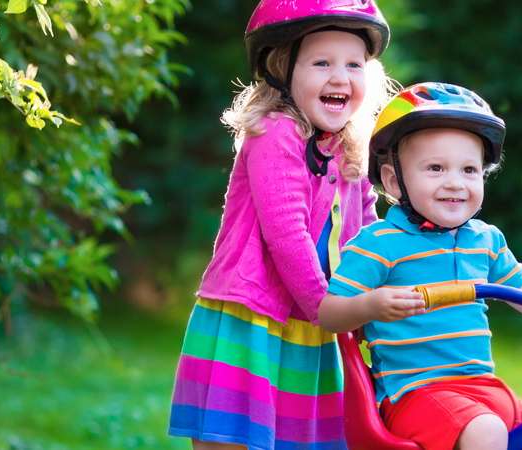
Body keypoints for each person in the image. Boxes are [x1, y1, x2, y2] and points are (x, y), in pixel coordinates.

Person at [318, 82, 522, 450]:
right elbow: (330, 314)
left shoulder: (486, 240)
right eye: (435, 168)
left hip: (485, 391)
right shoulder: (378, 243)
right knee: (488, 432)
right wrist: (373, 304)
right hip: (417, 397)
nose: (455, 183)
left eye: (469, 170)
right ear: (393, 180)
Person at [167, 1, 398, 448]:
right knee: (234, 441)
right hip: (253, 318)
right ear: (281, 69)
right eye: (321, 62)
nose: (340, 77)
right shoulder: (275, 133)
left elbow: (369, 235)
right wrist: (332, 310)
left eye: (354, 64)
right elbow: (286, 236)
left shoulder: (348, 149)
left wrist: (382, 289)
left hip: (313, 326)